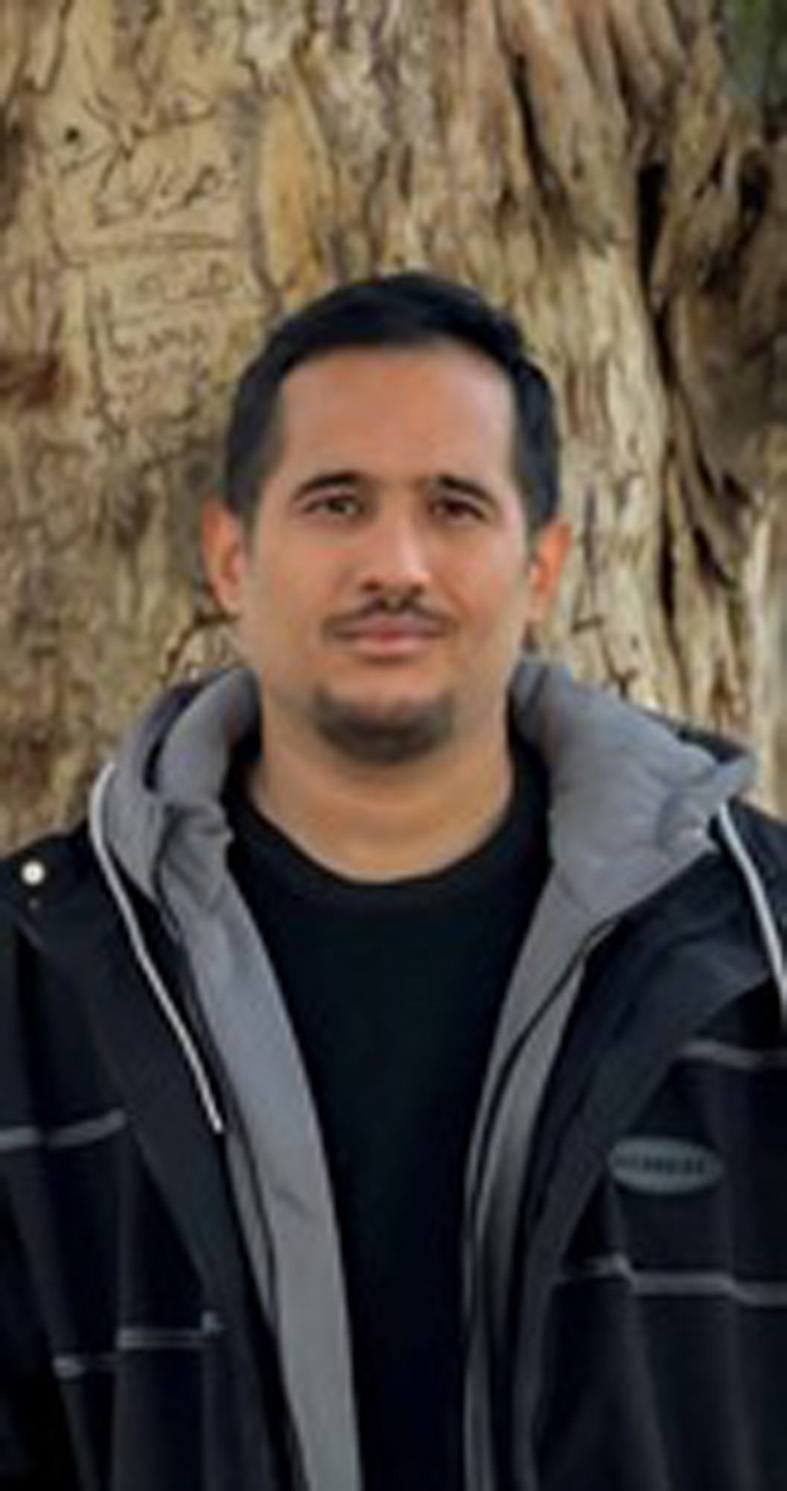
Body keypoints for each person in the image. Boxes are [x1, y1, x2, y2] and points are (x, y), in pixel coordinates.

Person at [0, 271, 785, 1491]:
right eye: (337, 503)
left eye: (454, 506)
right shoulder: (42, 972)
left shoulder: (750, 944)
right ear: (230, 556)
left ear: (540, 567)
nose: (397, 563)